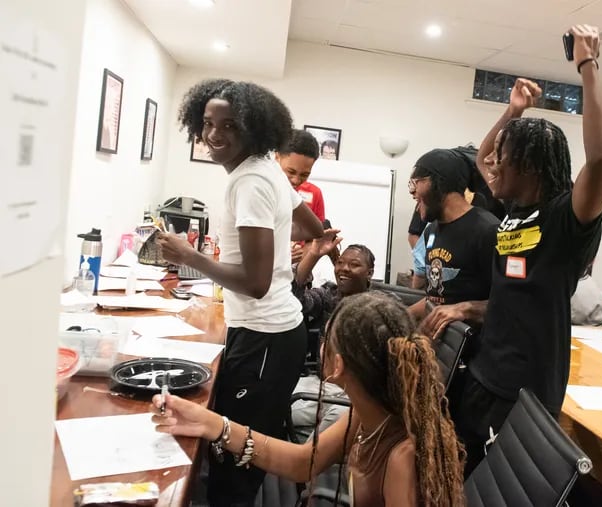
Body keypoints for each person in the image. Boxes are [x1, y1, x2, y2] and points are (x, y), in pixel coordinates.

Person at [450, 25, 602, 477]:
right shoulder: (513, 210)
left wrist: (588, 66)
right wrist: (512, 112)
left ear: (527, 164)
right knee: (466, 478)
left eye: (506, 155)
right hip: (486, 371)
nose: (494, 163)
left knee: (500, 487)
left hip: (526, 390)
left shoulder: (566, 219)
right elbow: (481, 160)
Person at [157, 78, 324, 505]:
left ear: (254, 128)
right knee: (236, 447)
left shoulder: (250, 181)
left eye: (229, 126)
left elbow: (255, 282)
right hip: (272, 333)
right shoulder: (265, 169)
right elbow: (314, 229)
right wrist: (279, 243)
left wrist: (188, 255)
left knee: (236, 457)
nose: (214, 135)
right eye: (208, 123)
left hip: (265, 336)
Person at [152, 292, 465, 507]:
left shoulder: (401, 457)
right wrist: (213, 424)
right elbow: (303, 463)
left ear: (337, 365)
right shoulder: (369, 413)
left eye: (325, 339)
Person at [406, 148, 501, 339]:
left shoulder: (487, 231)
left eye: (415, 183)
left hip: (473, 354)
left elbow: (509, 303)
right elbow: (437, 298)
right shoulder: (432, 230)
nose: (413, 192)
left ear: (439, 182)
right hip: (439, 352)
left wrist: (465, 309)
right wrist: (398, 316)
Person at [290, 234, 375, 442]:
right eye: (340, 262)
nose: (344, 268)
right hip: (319, 383)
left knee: (315, 447)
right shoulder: (330, 294)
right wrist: (312, 257)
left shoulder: (377, 309)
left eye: (354, 265)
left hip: (352, 393)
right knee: (267, 408)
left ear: (369, 273)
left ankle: (302, 460)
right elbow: (296, 301)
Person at [276, 129, 326, 222]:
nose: (296, 180)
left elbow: (317, 230)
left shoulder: (315, 193)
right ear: (277, 157)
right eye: (291, 172)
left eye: (304, 175)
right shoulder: (263, 187)